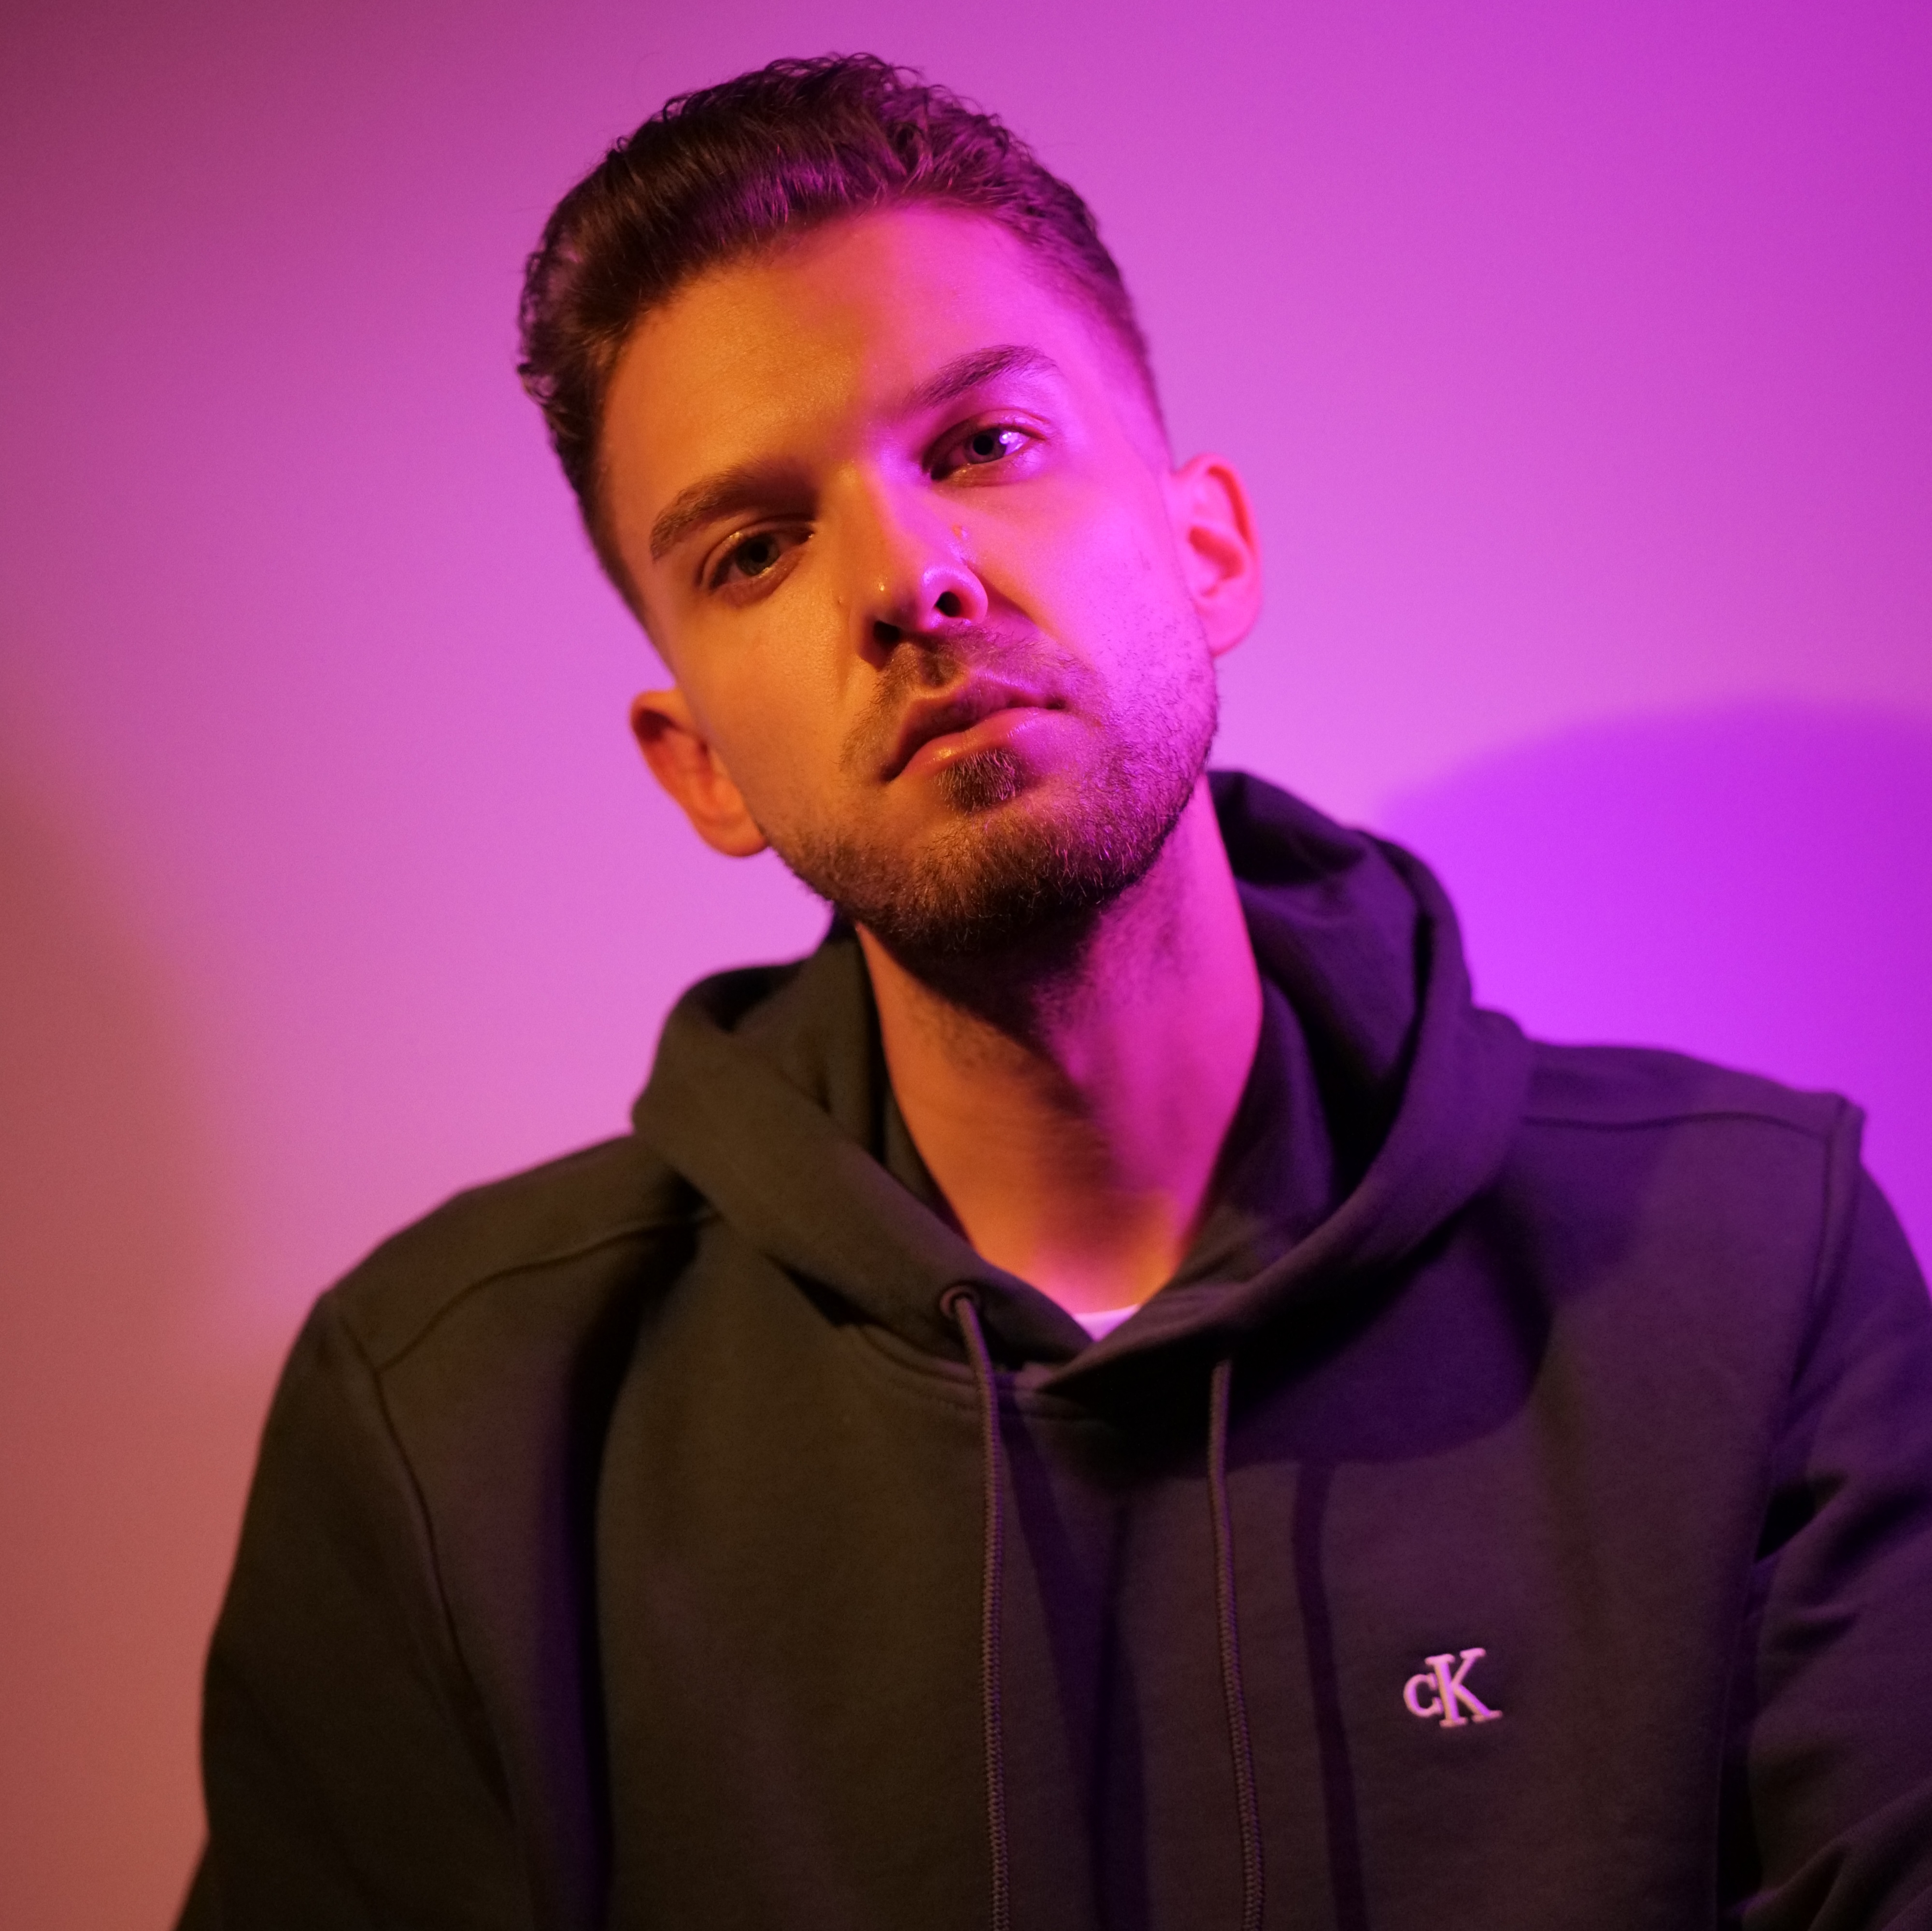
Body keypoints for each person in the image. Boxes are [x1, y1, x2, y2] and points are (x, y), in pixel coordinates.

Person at [179, 55, 1932, 1931]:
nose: (909, 579)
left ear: (1205, 549)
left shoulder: (1752, 1258)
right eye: (757, 548)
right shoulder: (451, 1419)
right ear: (699, 766)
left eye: (983, 445)